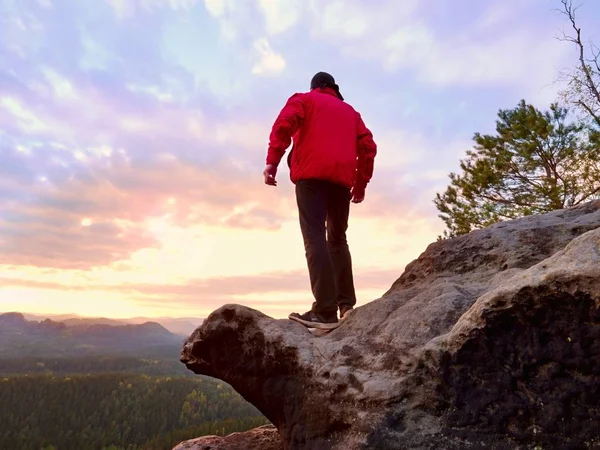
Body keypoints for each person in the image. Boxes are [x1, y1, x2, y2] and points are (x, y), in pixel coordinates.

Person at [262, 72, 377, 330]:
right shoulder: (351, 113)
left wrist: (272, 161)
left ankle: (324, 312)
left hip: (311, 178)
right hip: (342, 183)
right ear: (333, 89)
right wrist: (360, 184)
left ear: (315, 87)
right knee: (337, 238)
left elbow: (284, 125)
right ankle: (346, 305)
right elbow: (368, 147)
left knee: (314, 236)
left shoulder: (304, 100)